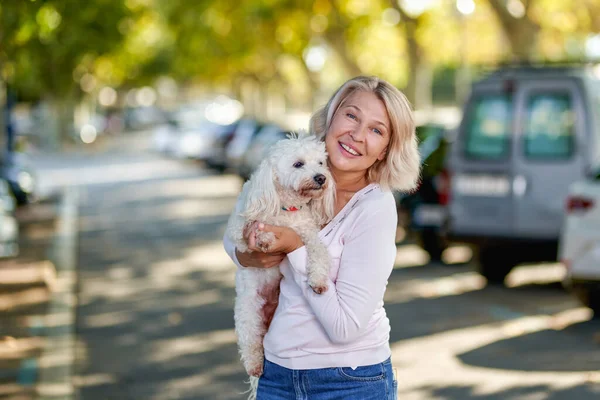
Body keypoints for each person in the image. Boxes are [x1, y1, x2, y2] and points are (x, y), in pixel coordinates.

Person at [223, 75, 420, 399]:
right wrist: (246, 254)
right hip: (276, 375)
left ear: (386, 149)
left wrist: (294, 247)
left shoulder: (375, 207)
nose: (357, 135)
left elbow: (345, 328)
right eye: (352, 115)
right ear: (331, 117)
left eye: (376, 129)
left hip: (348, 382)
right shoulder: (293, 182)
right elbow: (238, 226)